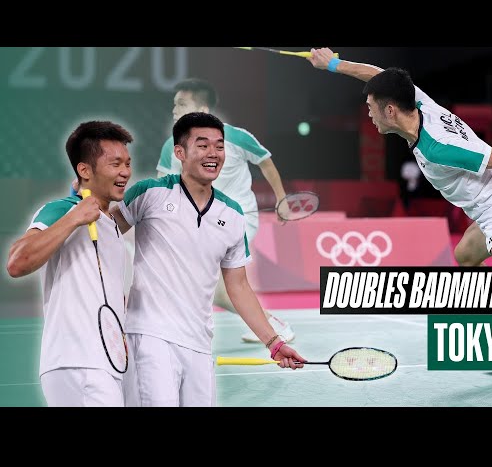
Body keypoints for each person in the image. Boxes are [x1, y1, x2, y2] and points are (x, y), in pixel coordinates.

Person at [307, 48, 492, 408]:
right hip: (488, 209)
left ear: (390, 110)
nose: (369, 113)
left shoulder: (440, 146)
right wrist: (331, 63)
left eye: (372, 107)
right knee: (465, 257)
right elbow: (376, 73)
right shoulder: (416, 102)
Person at [110, 112, 305, 407]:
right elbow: (104, 235)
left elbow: (238, 287)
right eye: (202, 145)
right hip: (150, 336)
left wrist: (273, 343)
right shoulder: (149, 193)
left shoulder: (233, 214)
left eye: (219, 146)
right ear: (180, 152)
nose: (213, 153)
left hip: (200, 343)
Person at [156, 78, 295, 344]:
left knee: (217, 289)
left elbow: (265, 162)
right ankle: (269, 324)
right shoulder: (171, 147)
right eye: (174, 105)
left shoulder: (236, 137)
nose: (175, 110)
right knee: (214, 290)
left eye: (182, 104)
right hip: (201, 223)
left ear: (203, 110)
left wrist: (282, 199)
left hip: (238, 220)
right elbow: (163, 186)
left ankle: (271, 325)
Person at [6, 121, 133, 407]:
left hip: (105, 362)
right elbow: (17, 262)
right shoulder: (62, 209)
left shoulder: (110, 225)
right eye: (115, 164)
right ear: (84, 170)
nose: (125, 171)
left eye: (127, 163)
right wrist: (74, 217)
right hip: (78, 362)